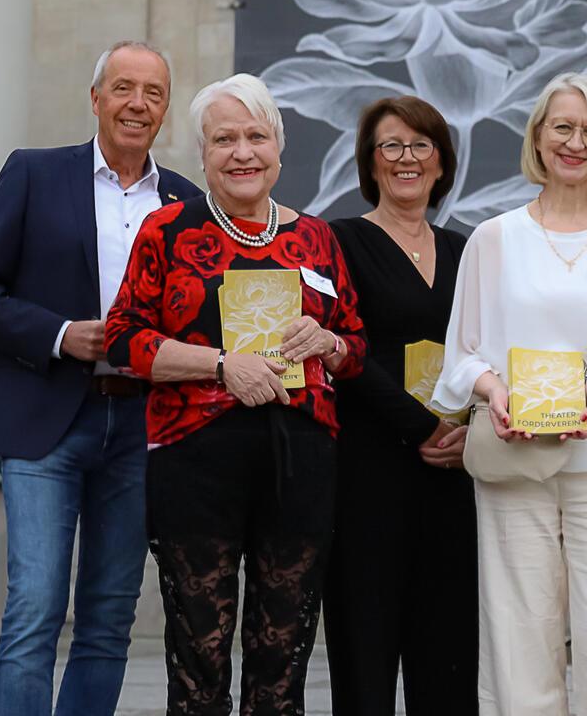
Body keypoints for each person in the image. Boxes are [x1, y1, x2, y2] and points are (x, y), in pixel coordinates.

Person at [0, 41, 200, 716]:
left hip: (142, 427)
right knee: (35, 605)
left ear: (165, 110)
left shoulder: (185, 201)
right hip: (46, 419)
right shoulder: (33, 175)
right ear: (95, 100)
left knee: (111, 616)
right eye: (123, 88)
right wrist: (61, 336)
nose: (137, 104)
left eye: (153, 93)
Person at [102, 73, 366, 716]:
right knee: (200, 644)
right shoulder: (166, 231)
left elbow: (356, 346)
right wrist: (222, 366)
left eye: (255, 137)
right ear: (203, 153)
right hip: (196, 456)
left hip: (300, 457)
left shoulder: (316, 238)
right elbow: (121, 339)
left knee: (285, 646)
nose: (242, 152)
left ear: (278, 147)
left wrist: (325, 342)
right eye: (225, 139)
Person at [433, 72, 587, 716]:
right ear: (539, 138)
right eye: (563, 128)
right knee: (519, 628)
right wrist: (493, 393)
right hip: (516, 457)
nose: (576, 142)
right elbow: (464, 355)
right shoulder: (494, 238)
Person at [323, 96, 478, 715]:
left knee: (450, 655)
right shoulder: (337, 242)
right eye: (391, 146)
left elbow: (486, 351)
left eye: (421, 146)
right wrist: (420, 426)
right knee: (366, 653)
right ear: (371, 162)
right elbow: (343, 353)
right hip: (368, 472)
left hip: (454, 472)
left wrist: (470, 432)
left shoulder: (469, 251)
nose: (406, 158)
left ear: (441, 162)